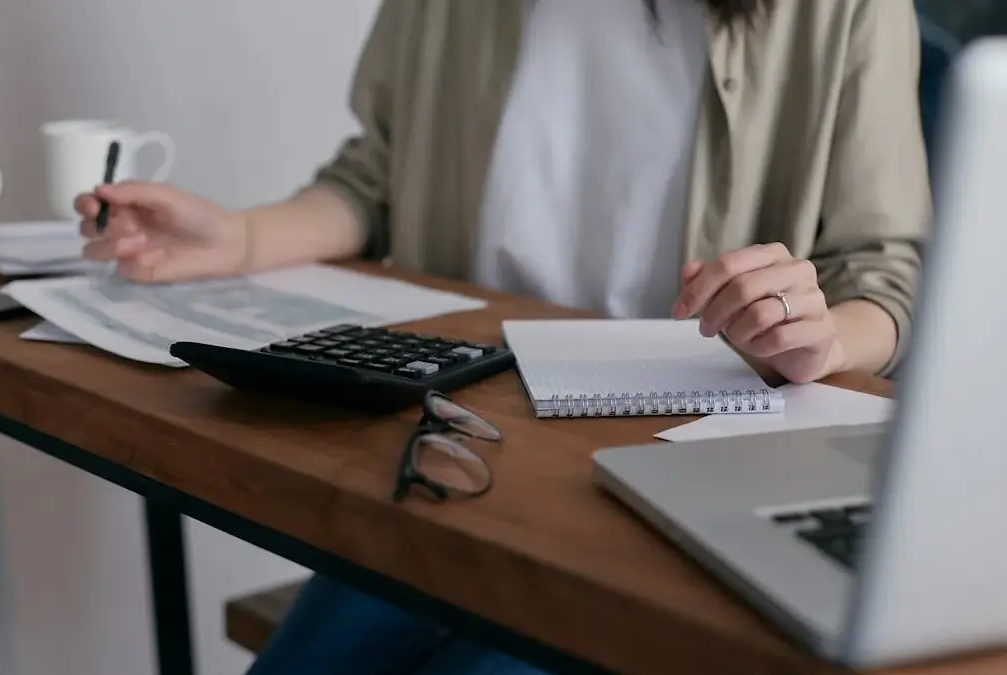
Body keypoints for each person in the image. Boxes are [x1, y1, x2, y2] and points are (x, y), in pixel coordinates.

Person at [75, 0, 931, 672]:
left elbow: (882, 271)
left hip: (690, 452)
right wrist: (240, 238)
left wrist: (818, 337)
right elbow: (375, 179)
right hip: (463, 437)